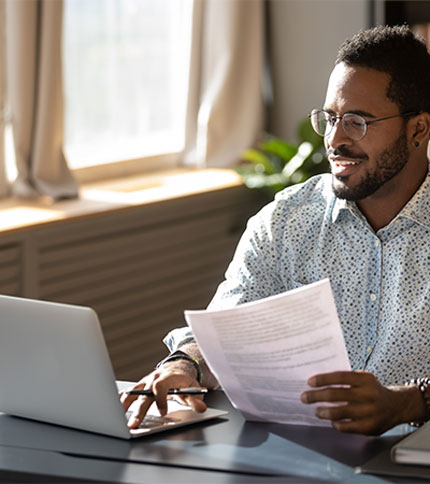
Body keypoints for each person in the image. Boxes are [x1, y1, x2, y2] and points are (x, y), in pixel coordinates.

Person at [121, 25, 430, 435]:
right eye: (330, 118)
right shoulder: (288, 219)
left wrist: (407, 402)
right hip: (298, 453)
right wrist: (185, 364)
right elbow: (227, 327)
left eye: (358, 122)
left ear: (418, 130)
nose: (335, 139)